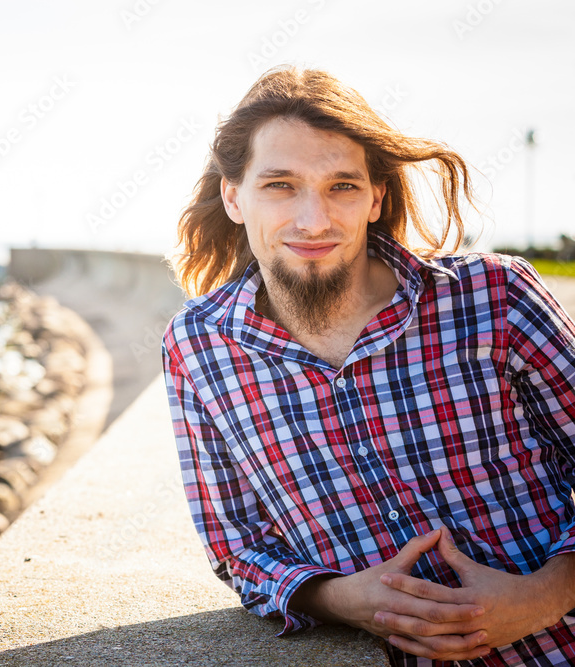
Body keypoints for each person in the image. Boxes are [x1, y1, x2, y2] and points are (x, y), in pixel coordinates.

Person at [161, 66, 575, 666]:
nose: (314, 219)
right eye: (280, 185)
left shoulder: (494, 296)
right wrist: (342, 599)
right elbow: (240, 548)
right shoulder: (199, 346)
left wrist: (544, 595)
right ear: (234, 196)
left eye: (342, 187)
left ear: (376, 196)